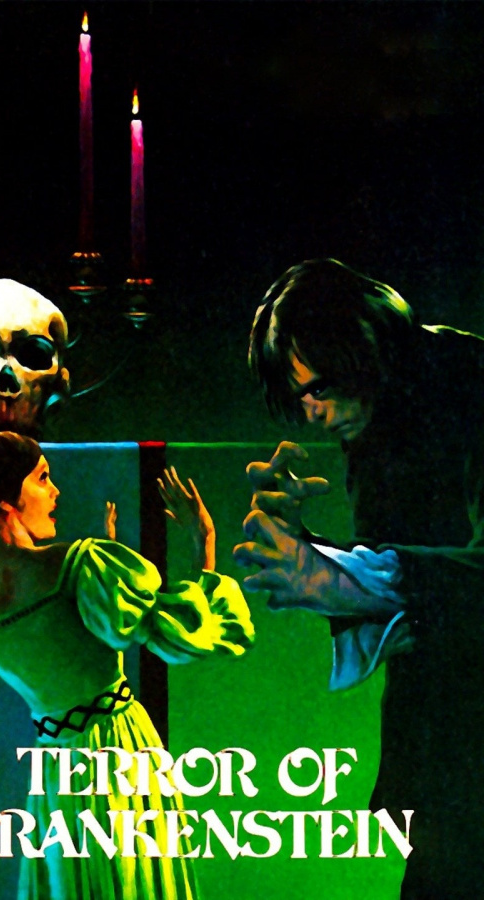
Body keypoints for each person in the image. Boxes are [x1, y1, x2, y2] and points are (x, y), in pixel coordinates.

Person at [233, 258, 484, 899]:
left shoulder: (466, 381)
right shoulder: (378, 412)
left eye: (317, 389)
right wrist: (311, 552)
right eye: (300, 400)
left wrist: (341, 577)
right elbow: (411, 575)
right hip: (441, 757)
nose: (312, 416)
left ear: (358, 347)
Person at [0, 432, 254, 900]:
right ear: (7, 499)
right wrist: (204, 545)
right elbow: (183, 635)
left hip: (56, 771)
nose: (56, 492)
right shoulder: (79, 564)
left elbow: (61, 648)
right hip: (117, 749)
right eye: (42, 479)